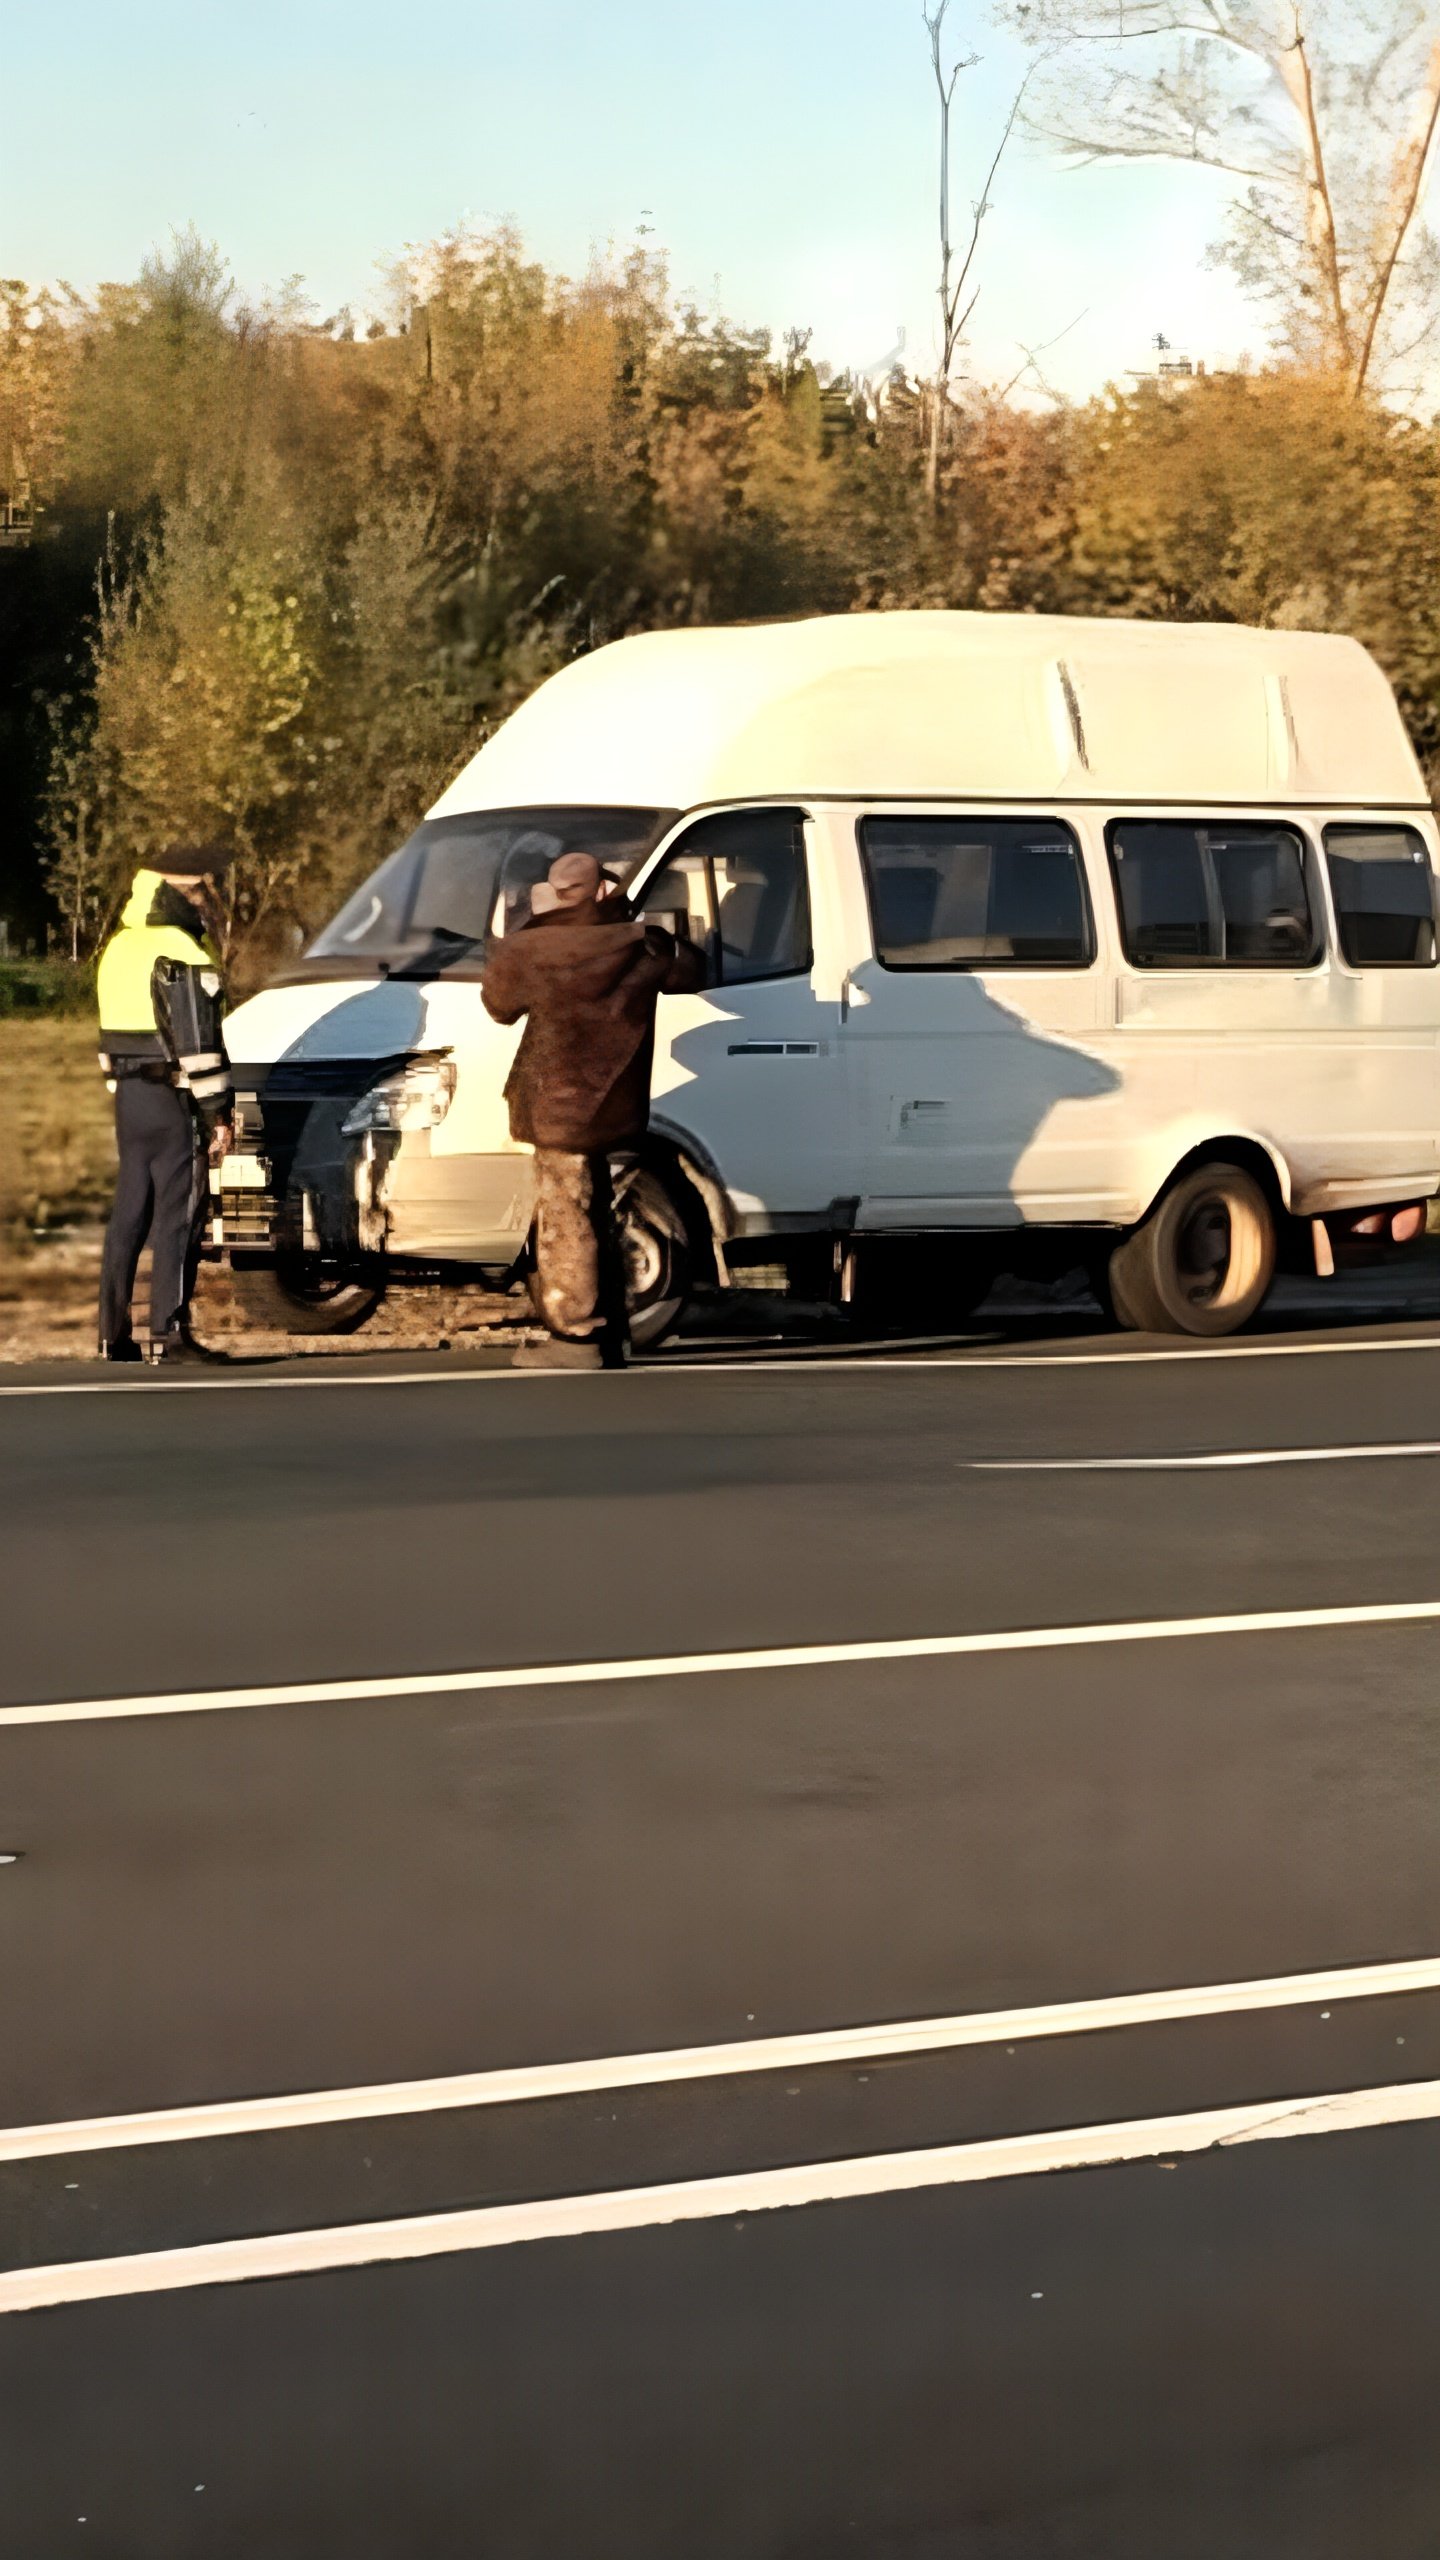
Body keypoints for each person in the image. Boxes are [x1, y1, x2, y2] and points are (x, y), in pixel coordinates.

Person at [482, 850, 704, 1369]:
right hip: (619, 1106)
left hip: (556, 1107)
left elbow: (499, 1007)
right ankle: (614, 1332)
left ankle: (576, 1340)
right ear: (603, 890)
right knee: (604, 1213)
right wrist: (631, 917)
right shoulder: (643, 944)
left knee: (567, 1217)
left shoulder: (529, 949)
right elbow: (692, 971)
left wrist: (531, 923)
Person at [95, 844, 236, 1365]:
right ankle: (168, 1335)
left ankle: (114, 1336)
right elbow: (199, 1044)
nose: (204, 901)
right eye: (198, 890)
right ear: (174, 894)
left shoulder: (116, 950)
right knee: (178, 1215)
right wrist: (217, 1113)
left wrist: (122, 1086)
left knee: (129, 1213)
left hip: (128, 1099)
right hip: (173, 1098)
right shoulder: (183, 952)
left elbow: (107, 1037)